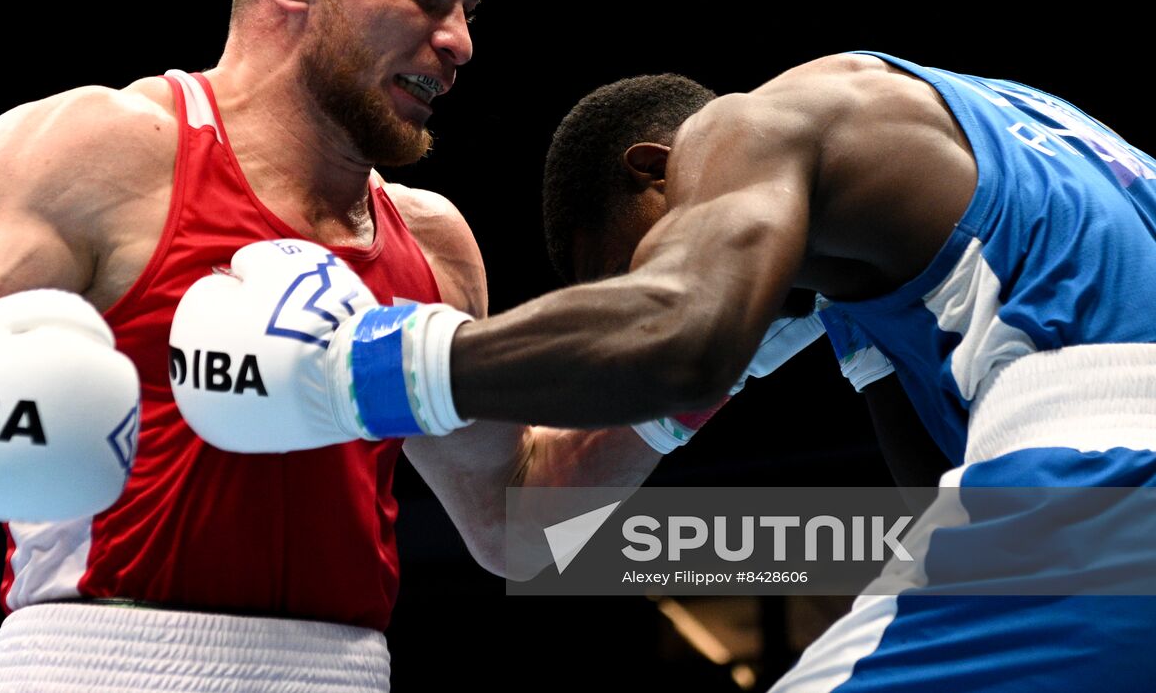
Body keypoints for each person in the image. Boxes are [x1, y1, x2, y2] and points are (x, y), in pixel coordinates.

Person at [0, 0, 674, 692]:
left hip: (346, 673)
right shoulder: (107, 151)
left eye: (467, 10)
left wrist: (702, 377)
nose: (459, 42)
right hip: (98, 663)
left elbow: (517, 523)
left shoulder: (433, 241)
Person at [207, 50, 1154, 690]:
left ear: (662, 171)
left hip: (1095, 478)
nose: (646, 297)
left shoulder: (752, 127)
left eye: (642, 266)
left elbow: (675, 337)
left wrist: (359, 368)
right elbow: (938, 511)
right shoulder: (984, 161)